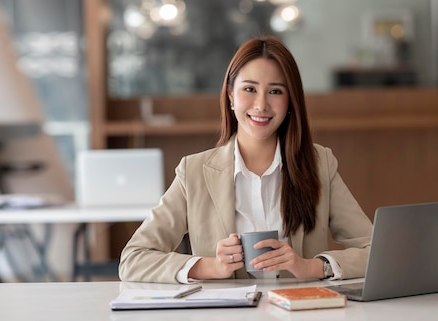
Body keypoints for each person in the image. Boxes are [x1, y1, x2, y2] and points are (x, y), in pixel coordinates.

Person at [118, 35, 372, 284]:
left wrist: (312, 267)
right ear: (230, 94)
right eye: (249, 89)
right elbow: (134, 259)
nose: (261, 105)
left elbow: (373, 249)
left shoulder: (319, 164)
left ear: (291, 101)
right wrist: (210, 267)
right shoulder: (194, 172)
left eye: (275, 91)